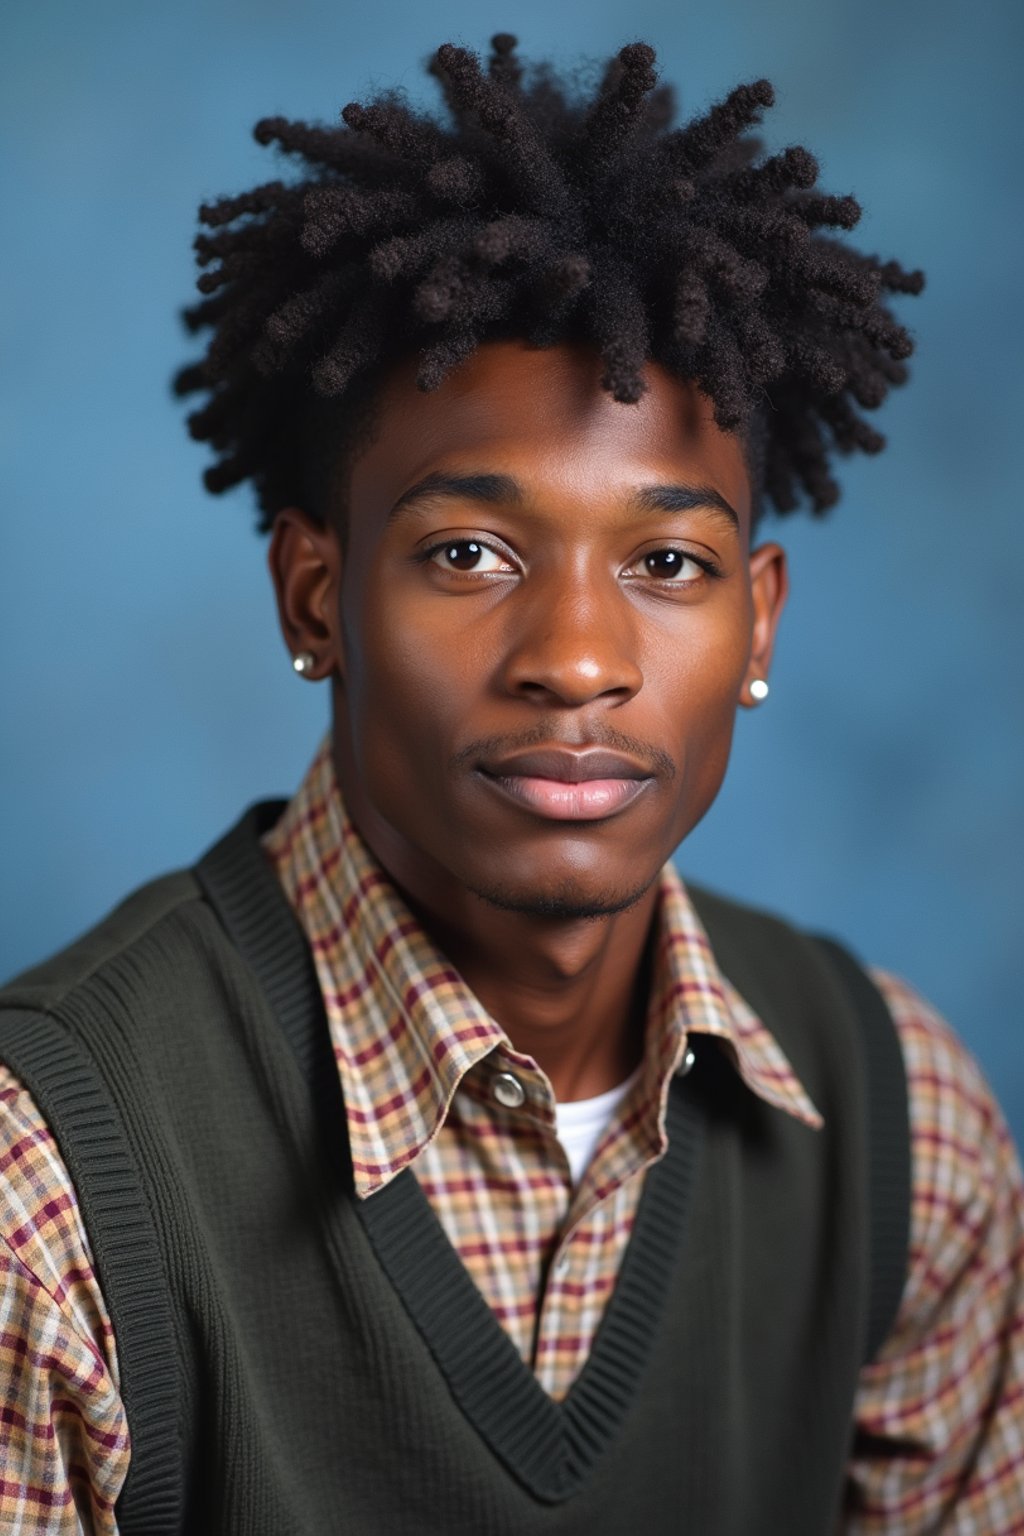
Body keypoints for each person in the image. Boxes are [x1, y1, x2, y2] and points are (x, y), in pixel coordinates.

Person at [1, 33, 1021, 1536]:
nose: (579, 659)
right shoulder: (48, 1184)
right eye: (471, 553)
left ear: (761, 624)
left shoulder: (905, 1129)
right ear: (314, 598)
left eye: (670, 563)